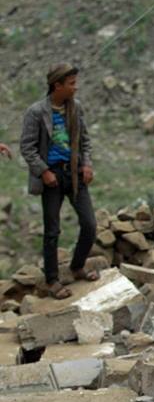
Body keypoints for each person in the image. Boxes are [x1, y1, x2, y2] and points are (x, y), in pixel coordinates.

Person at [19, 64, 99, 300]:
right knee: (52, 231)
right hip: (51, 178)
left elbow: (84, 140)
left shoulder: (76, 108)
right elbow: (27, 147)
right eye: (71, 83)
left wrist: (87, 164)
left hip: (73, 174)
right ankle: (52, 280)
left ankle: (77, 266)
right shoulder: (36, 112)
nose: (76, 88)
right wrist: (43, 171)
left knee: (90, 224)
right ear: (58, 86)